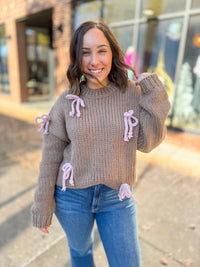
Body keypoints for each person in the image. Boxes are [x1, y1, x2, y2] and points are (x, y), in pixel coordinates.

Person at [31, 20, 171, 267]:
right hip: (71, 197)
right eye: (86, 52)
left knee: (127, 262)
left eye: (101, 50)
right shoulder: (67, 100)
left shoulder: (132, 93)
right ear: (77, 57)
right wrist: (43, 203)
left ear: (112, 52)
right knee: (82, 252)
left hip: (117, 197)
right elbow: (51, 155)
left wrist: (153, 94)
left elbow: (148, 142)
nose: (94, 61)